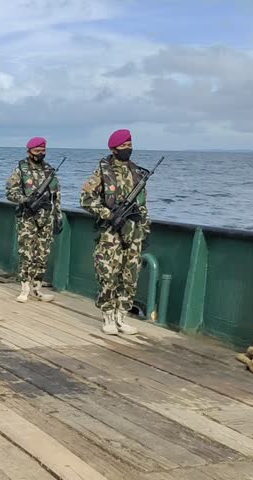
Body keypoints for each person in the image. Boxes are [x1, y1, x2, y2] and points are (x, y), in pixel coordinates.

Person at [79, 129, 148, 335]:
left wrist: (145, 228)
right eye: (123, 146)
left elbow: (143, 205)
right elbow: (86, 199)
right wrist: (108, 214)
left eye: (129, 145)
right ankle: (108, 315)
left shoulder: (137, 173)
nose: (128, 149)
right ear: (113, 149)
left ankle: (122, 316)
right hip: (110, 232)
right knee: (108, 273)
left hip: (133, 231)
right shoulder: (102, 172)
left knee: (130, 274)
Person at [6, 137, 61, 303]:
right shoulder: (20, 170)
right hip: (27, 217)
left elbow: (56, 196)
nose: (41, 154)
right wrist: (25, 200)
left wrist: (58, 216)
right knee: (26, 253)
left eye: (43, 151)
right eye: (37, 151)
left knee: (43, 253)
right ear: (29, 151)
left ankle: (37, 287)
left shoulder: (49, 171)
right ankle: (24, 287)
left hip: (46, 217)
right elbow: (10, 193)